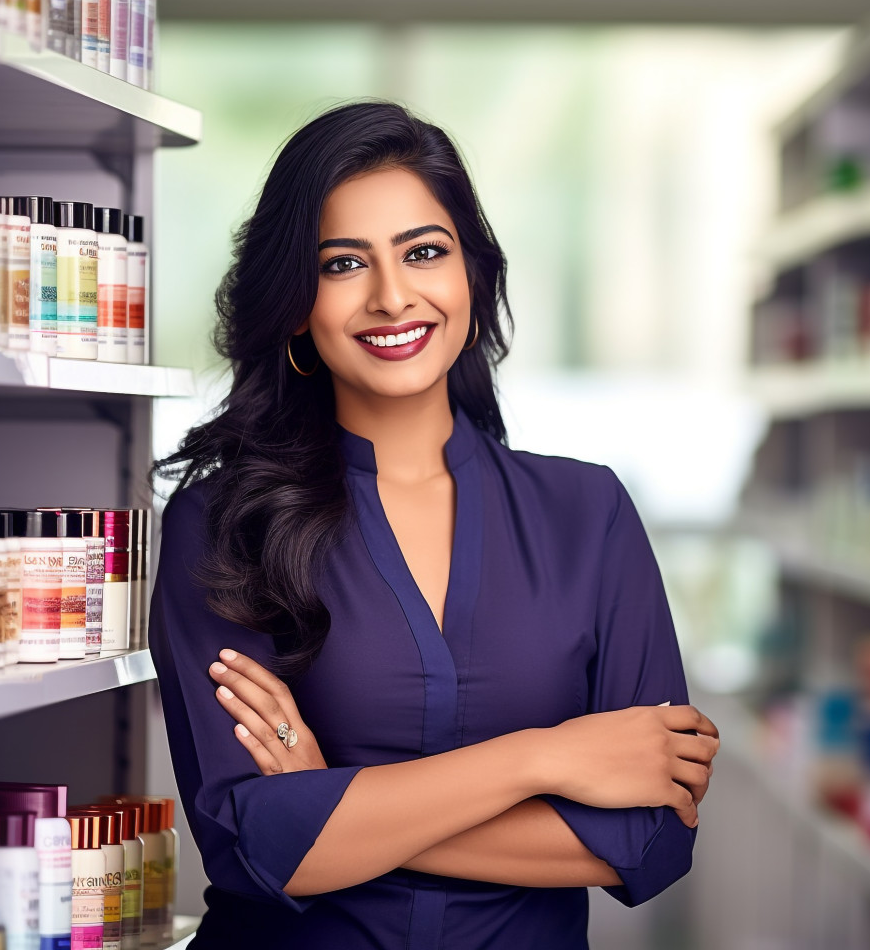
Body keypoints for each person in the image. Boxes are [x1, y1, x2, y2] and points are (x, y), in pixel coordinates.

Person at [148, 99, 720, 950]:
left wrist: (337, 802)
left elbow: (651, 839)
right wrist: (545, 758)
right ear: (297, 304)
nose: (392, 297)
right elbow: (251, 844)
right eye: (344, 264)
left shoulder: (588, 513)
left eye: (424, 252)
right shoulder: (223, 525)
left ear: (472, 278)